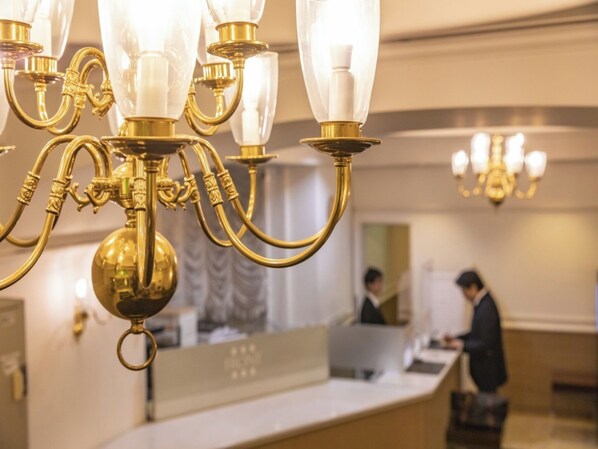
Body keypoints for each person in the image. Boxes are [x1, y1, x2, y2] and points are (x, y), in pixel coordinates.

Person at [444, 270, 507, 393]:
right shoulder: (483, 303)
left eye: (464, 291)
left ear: (473, 287)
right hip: (485, 370)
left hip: (488, 369)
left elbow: (486, 342)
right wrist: (457, 339)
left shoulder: (487, 308)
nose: (464, 296)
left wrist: (462, 345)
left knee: (487, 400)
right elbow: (476, 333)